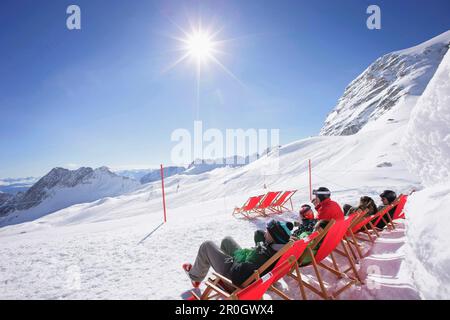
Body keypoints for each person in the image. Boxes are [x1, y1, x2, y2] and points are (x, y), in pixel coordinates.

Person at [182, 219, 293, 288]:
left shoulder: (263, 254)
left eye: (268, 233)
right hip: (245, 267)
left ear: (274, 238)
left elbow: (240, 271)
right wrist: (264, 242)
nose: (265, 235)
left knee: (207, 245)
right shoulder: (277, 249)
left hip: (234, 275)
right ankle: (216, 266)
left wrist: (237, 256)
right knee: (227, 240)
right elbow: (259, 234)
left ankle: (195, 277)